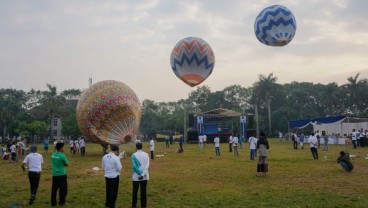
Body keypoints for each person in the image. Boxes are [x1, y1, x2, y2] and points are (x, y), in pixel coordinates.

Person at [131, 142, 150, 208]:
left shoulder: (133, 155)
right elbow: (147, 166)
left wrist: (140, 174)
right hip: (144, 176)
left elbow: (134, 166)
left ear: (136, 147)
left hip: (136, 176)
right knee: (143, 192)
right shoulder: (146, 154)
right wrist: (143, 174)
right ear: (142, 147)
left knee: (135, 192)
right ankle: (143, 206)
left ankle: (134, 205)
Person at [51, 142, 68, 206]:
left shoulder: (53, 155)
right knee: (63, 189)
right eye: (63, 147)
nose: (64, 149)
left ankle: (53, 202)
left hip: (54, 174)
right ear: (61, 148)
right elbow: (66, 164)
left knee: (54, 189)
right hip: (62, 174)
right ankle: (62, 202)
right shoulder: (62, 155)